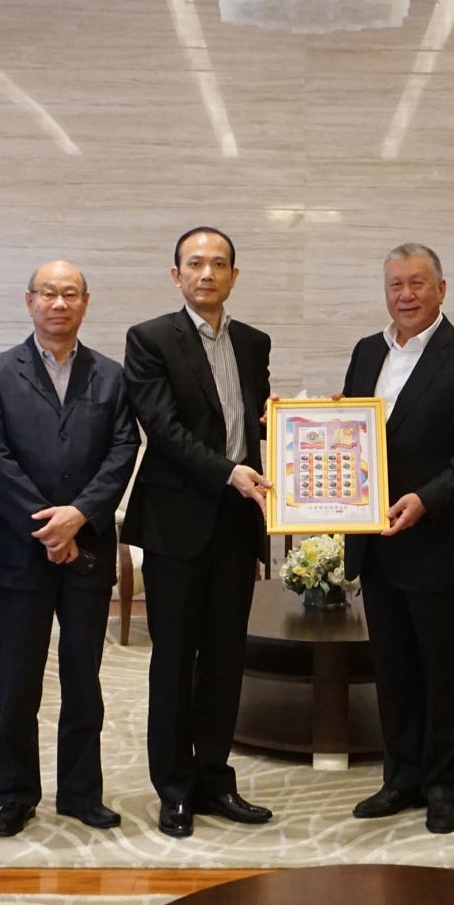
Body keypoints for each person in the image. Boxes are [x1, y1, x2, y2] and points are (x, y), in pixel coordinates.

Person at [343, 243, 454, 835]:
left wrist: (426, 499)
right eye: (395, 284)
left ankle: (442, 785)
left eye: (417, 283)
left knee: (444, 671)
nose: (405, 295)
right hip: (378, 542)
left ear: (441, 289)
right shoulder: (367, 351)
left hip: (439, 539)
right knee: (393, 669)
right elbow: (353, 432)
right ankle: (400, 777)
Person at [0, 260, 138, 837]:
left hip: (88, 548)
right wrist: (48, 527)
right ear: (29, 300)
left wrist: (78, 516)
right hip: (23, 552)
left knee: (83, 678)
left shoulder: (111, 376)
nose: (59, 303)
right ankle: (16, 794)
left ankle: (80, 793)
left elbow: (123, 450)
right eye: (48, 293)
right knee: (18, 681)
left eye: (70, 294)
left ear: (86, 302)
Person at [121, 227, 274, 839]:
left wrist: (312, 426)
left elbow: (256, 424)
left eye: (218, 264)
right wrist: (228, 472)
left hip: (236, 523)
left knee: (226, 657)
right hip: (176, 525)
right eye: (195, 263)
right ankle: (174, 787)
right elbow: (162, 429)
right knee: (174, 659)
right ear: (176, 274)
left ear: (235, 275)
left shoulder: (254, 342)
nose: (206, 273)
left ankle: (215, 777)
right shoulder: (150, 339)